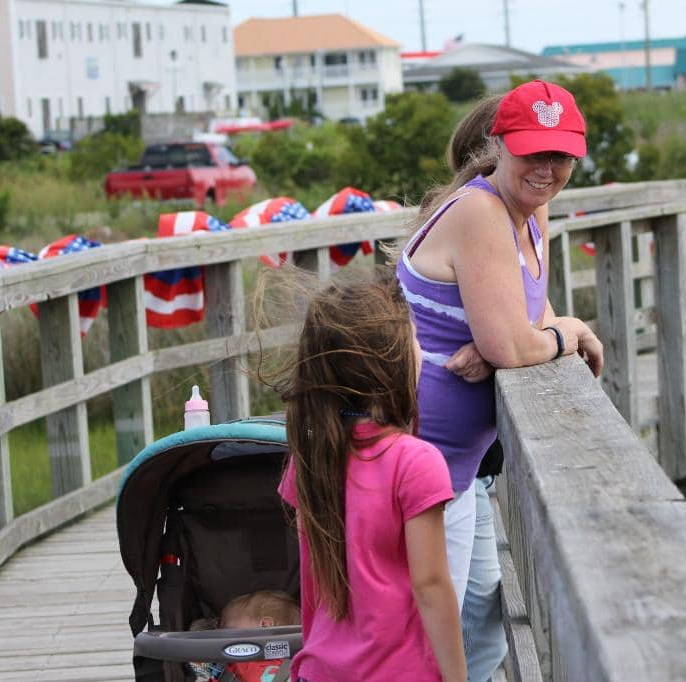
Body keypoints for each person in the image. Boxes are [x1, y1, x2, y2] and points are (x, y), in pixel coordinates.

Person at [398, 80, 604, 681]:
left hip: (465, 469)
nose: (547, 168)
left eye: (560, 154)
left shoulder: (532, 210)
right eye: (532, 151)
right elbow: (520, 339)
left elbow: (523, 324)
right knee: (437, 645)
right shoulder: (482, 211)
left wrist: (513, 343)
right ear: (499, 145)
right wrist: (571, 331)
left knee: (483, 636)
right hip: (421, 466)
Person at [275, 268, 468, 682]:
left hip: (319, 671)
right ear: (390, 362)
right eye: (414, 339)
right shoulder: (415, 462)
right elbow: (431, 584)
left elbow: (312, 581)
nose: (420, 349)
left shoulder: (309, 457)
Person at [219, 590, 301, 682]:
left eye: (230, 631)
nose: (225, 639)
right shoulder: (300, 667)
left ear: (266, 625)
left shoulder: (243, 662)